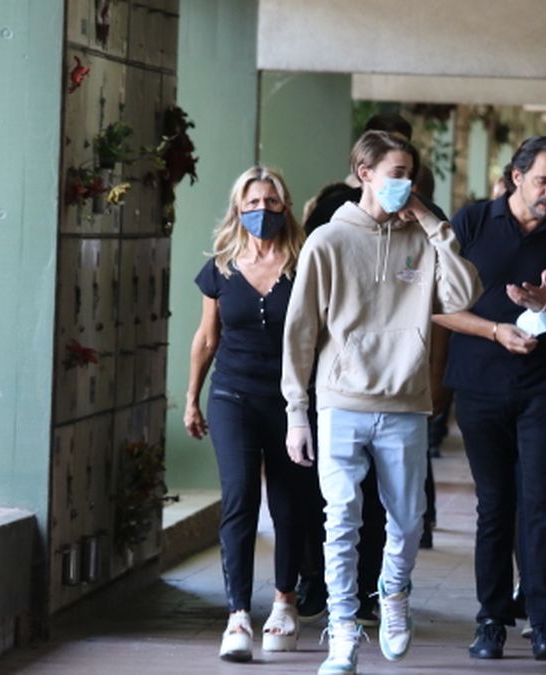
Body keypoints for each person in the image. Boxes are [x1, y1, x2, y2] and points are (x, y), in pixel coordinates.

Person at [281, 130, 481, 675]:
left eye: (410, 175)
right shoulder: (327, 240)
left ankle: (393, 595)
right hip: (340, 400)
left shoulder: (423, 237)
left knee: (409, 518)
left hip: (404, 404)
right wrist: (296, 412)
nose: (405, 184)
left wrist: (436, 227)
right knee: (340, 518)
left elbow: (464, 297)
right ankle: (342, 630)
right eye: (396, 174)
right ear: (364, 173)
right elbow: (300, 332)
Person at [435, 136, 546, 662]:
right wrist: (496, 331)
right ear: (515, 177)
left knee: (542, 502)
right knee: (495, 506)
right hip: (479, 386)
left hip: (543, 389)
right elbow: (438, 306)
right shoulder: (474, 222)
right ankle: (491, 620)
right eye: (544, 180)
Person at [183, 166, 315, 662]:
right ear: (238, 207)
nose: (263, 211)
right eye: (253, 202)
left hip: (292, 402)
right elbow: (207, 337)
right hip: (233, 396)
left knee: (288, 504)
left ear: (286, 206)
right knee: (239, 500)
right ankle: (238, 614)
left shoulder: (305, 262)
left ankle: (284, 602)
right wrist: (193, 397)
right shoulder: (220, 265)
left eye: (272, 202)